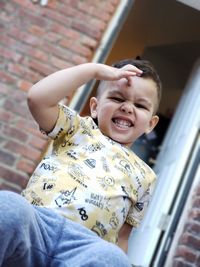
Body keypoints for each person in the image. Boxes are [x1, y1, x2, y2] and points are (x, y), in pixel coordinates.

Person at [0, 59, 161, 267]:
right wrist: (95, 70)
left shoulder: (146, 176)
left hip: (84, 249)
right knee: (9, 206)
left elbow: (122, 238)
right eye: (116, 97)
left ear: (151, 123)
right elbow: (37, 98)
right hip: (38, 225)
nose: (128, 108)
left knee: (114, 259)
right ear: (94, 107)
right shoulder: (76, 128)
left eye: (140, 105)